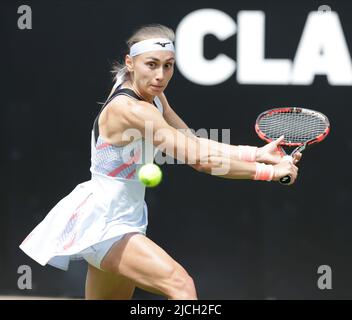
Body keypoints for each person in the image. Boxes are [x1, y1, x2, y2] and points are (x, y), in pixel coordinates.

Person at [19, 24, 301, 300]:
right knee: (181, 286)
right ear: (130, 63)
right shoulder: (131, 110)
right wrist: (269, 173)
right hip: (105, 222)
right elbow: (200, 160)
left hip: (122, 217)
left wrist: (255, 153)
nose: (160, 75)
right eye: (151, 64)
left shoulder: (153, 97)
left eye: (168, 65)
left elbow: (192, 141)